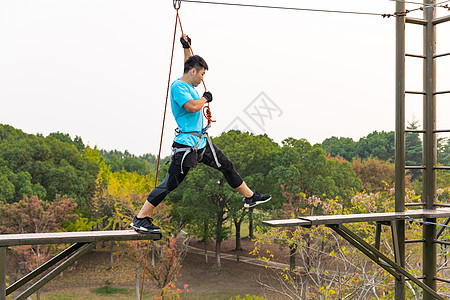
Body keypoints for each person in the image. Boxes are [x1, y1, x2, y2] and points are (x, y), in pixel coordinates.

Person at [131, 34, 271, 233]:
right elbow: (190, 107)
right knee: (170, 183)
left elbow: (189, 64)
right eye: (202, 74)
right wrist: (205, 99)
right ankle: (140, 218)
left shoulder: (188, 82)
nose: (202, 79)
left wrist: (186, 47)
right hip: (186, 146)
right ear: (194, 72)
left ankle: (249, 197)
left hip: (202, 144)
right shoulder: (178, 87)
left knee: (227, 166)